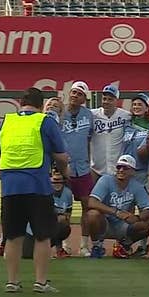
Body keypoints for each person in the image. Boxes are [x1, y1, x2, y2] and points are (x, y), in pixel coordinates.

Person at [0, 87, 69, 293]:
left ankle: (12, 281)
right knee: (42, 235)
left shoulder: (6, 121)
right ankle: (41, 282)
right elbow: (61, 155)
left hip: (10, 186)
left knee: (12, 236)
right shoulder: (45, 121)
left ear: (20, 102)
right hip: (37, 186)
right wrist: (65, 171)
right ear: (40, 104)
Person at [85, 155, 149, 259]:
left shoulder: (137, 186)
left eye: (125, 168)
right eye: (119, 167)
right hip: (105, 223)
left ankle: (124, 245)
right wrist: (116, 212)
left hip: (124, 225)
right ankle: (97, 246)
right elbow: (92, 202)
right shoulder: (106, 180)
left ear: (133, 171)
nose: (121, 170)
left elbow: (148, 209)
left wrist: (137, 218)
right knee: (92, 214)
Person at [60, 81, 95, 257]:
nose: (75, 95)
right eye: (73, 92)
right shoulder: (59, 113)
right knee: (63, 208)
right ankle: (64, 244)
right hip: (63, 168)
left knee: (87, 206)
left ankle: (84, 244)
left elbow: (89, 138)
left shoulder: (88, 115)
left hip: (82, 168)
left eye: (79, 94)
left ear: (84, 99)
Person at [90, 84, 131, 178]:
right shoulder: (92, 115)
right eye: (104, 99)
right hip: (96, 169)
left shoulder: (126, 116)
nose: (106, 102)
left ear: (116, 101)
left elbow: (140, 119)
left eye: (110, 99)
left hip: (118, 169)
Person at [49, 170, 73, 259]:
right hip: (41, 226)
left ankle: (59, 249)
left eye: (59, 181)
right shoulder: (44, 191)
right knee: (28, 253)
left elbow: (68, 213)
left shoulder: (68, 193)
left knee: (63, 224)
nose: (57, 183)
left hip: (55, 225)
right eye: (54, 181)